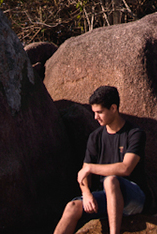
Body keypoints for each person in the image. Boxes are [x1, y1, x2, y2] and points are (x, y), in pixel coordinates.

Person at [54, 85, 146, 234]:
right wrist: (86, 194)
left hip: (133, 197)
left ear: (113, 108)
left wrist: (91, 168)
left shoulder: (135, 134)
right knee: (72, 207)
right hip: (108, 197)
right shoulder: (95, 137)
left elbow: (126, 168)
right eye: (94, 112)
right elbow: (83, 175)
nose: (95, 117)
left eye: (99, 112)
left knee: (110, 181)